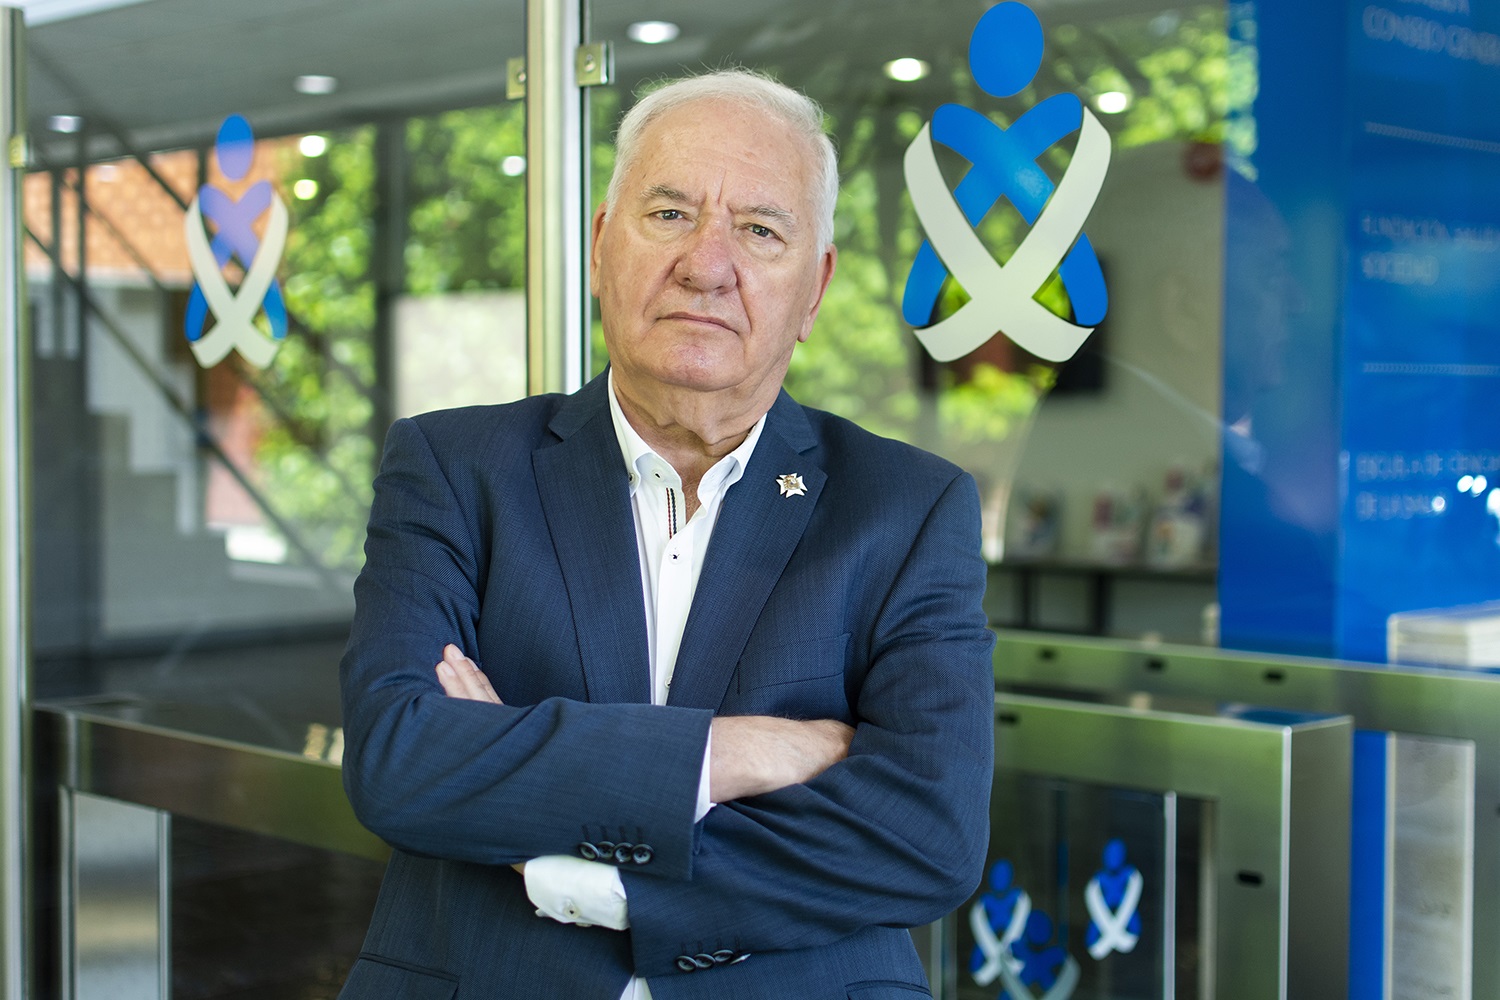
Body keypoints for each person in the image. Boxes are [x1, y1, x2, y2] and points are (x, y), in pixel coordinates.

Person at [337, 68, 996, 1000]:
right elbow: (400, 762)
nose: (706, 264)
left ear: (815, 288)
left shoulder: (906, 507)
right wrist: (742, 754)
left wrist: (589, 873)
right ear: (601, 245)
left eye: (760, 231)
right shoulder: (454, 467)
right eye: (671, 214)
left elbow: (929, 837)